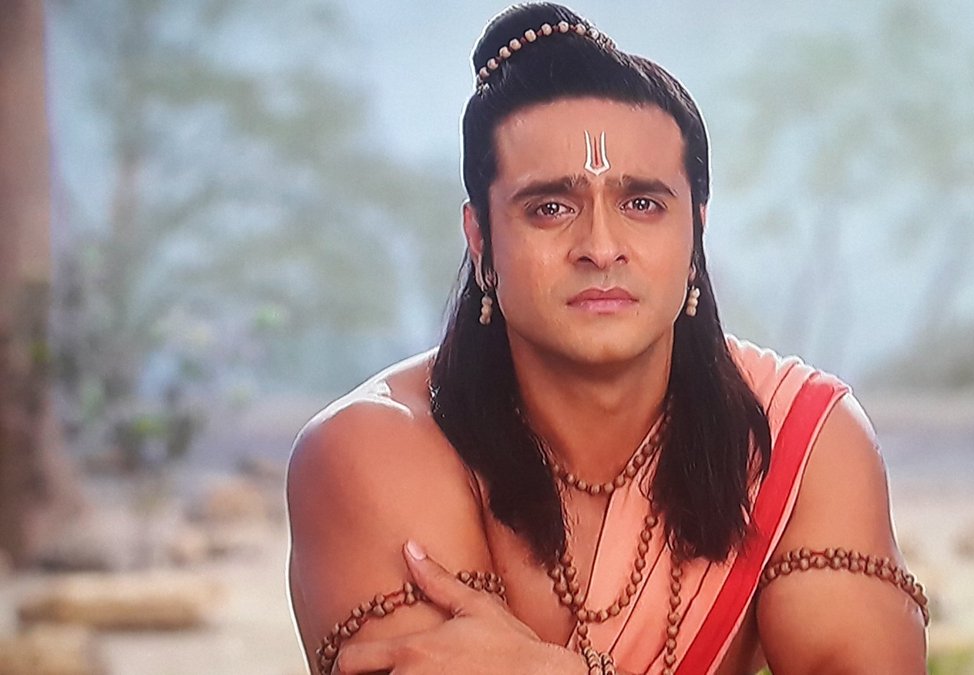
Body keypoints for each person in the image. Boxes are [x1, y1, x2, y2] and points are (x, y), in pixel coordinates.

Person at [286, 3, 929, 673]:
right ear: (481, 241)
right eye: (550, 207)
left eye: (641, 204)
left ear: (695, 233)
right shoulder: (373, 449)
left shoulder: (799, 436)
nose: (600, 246)